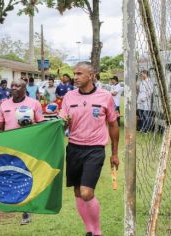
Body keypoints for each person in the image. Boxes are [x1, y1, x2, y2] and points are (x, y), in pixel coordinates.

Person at [59, 61, 119, 236]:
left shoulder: (105, 96)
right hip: (74, 148)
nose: (75, 77)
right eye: (74, 74)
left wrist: (114, 153)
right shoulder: (69, 97)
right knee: (78, 192)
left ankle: (97, 231)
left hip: (95, 149)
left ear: (91, 76)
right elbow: (63, 124)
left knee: (86, 192)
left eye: (79, 74)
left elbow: (113, 125)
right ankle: (89, 230)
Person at [0, 78, 44, 225]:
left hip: (28, 144)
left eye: (18, 86)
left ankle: (26, 210)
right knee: (13, 173)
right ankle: (15, 202)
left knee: (25, 174)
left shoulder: (33, 103)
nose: (14, 88)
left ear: (25, 89)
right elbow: (0, 126)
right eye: (12, 86)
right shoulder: (4, 104)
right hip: (10, 145)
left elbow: (41, 124)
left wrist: (31, 124)